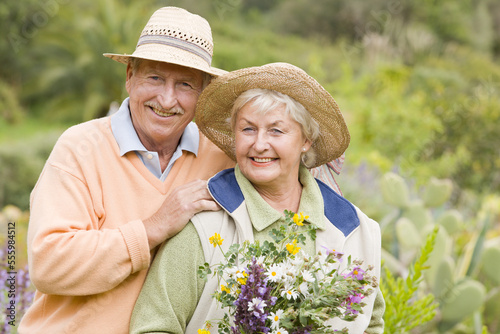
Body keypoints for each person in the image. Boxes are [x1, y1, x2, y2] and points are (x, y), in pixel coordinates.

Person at [19, 7, 345, 334]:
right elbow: (48, 265)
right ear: (130, 76)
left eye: (185, 84)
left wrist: (308, 157)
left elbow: (280, 197)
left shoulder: (221, 156)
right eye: (155, 78)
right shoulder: (80, 148)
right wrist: (154, 227)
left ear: (203, 92)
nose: (167, 98)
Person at [130, 63, 385, 334]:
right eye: (248, 129)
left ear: (306, 140)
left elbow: (370, 322)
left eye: (276, 131)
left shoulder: (354, 229)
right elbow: (153, 326)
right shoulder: (203, 224)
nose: (260, 144)